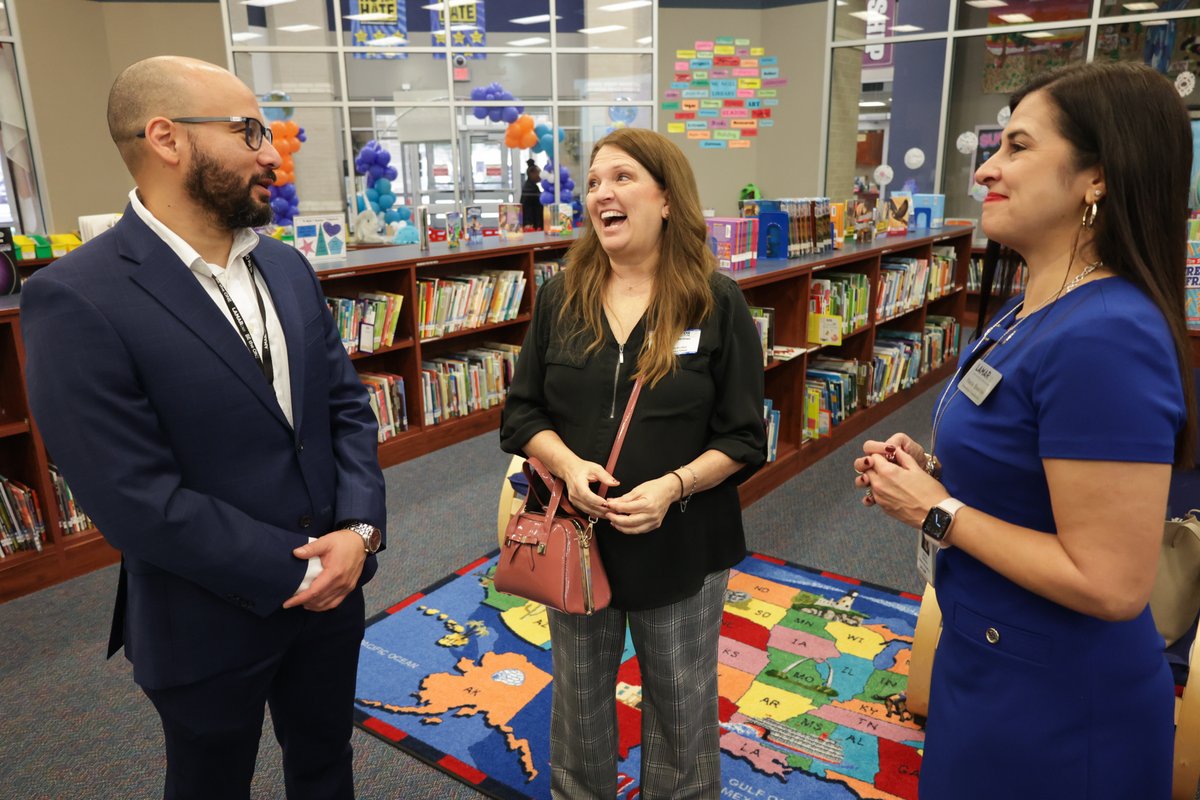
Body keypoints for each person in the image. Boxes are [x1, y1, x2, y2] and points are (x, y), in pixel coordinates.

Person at [20, 56, 386, 799]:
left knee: (325, 763)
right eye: (249, 131)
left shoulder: (287, 269)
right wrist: (306, 570)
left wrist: (361, 533)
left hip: (337, 589)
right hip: (207, 617)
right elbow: (132, 497)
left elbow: (345, 409)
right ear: (166, 138)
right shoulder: (75, 298)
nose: (272, 153)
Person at [853, 61, 1197, 799]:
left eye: (1016, 147)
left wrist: (935, 511)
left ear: (1096, 177)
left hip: (1061, 708)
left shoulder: (1107, 333)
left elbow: (1111, 583)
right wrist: (933, 472)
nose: (985, 171)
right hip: (987, 662)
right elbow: (1029, 473)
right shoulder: (1028, 307)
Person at [500, 127, 766, 799]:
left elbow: (743, 438)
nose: (602, 194)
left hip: (681, 543)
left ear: (667, 198)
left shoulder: (714, 300)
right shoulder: (562, 296)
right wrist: (564, 463)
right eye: (592, 183)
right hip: (577, 540)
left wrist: (672, 487)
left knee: (679, 706)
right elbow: (521, 415)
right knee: (580, 706)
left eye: (621, 178)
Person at [521, 158, 544, 229]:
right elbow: (527, 209)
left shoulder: (533, 186)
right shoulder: (529, 188)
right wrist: (528, 223)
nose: (541, 175)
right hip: (531, 222)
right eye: (539, 173)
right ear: (532, 173)